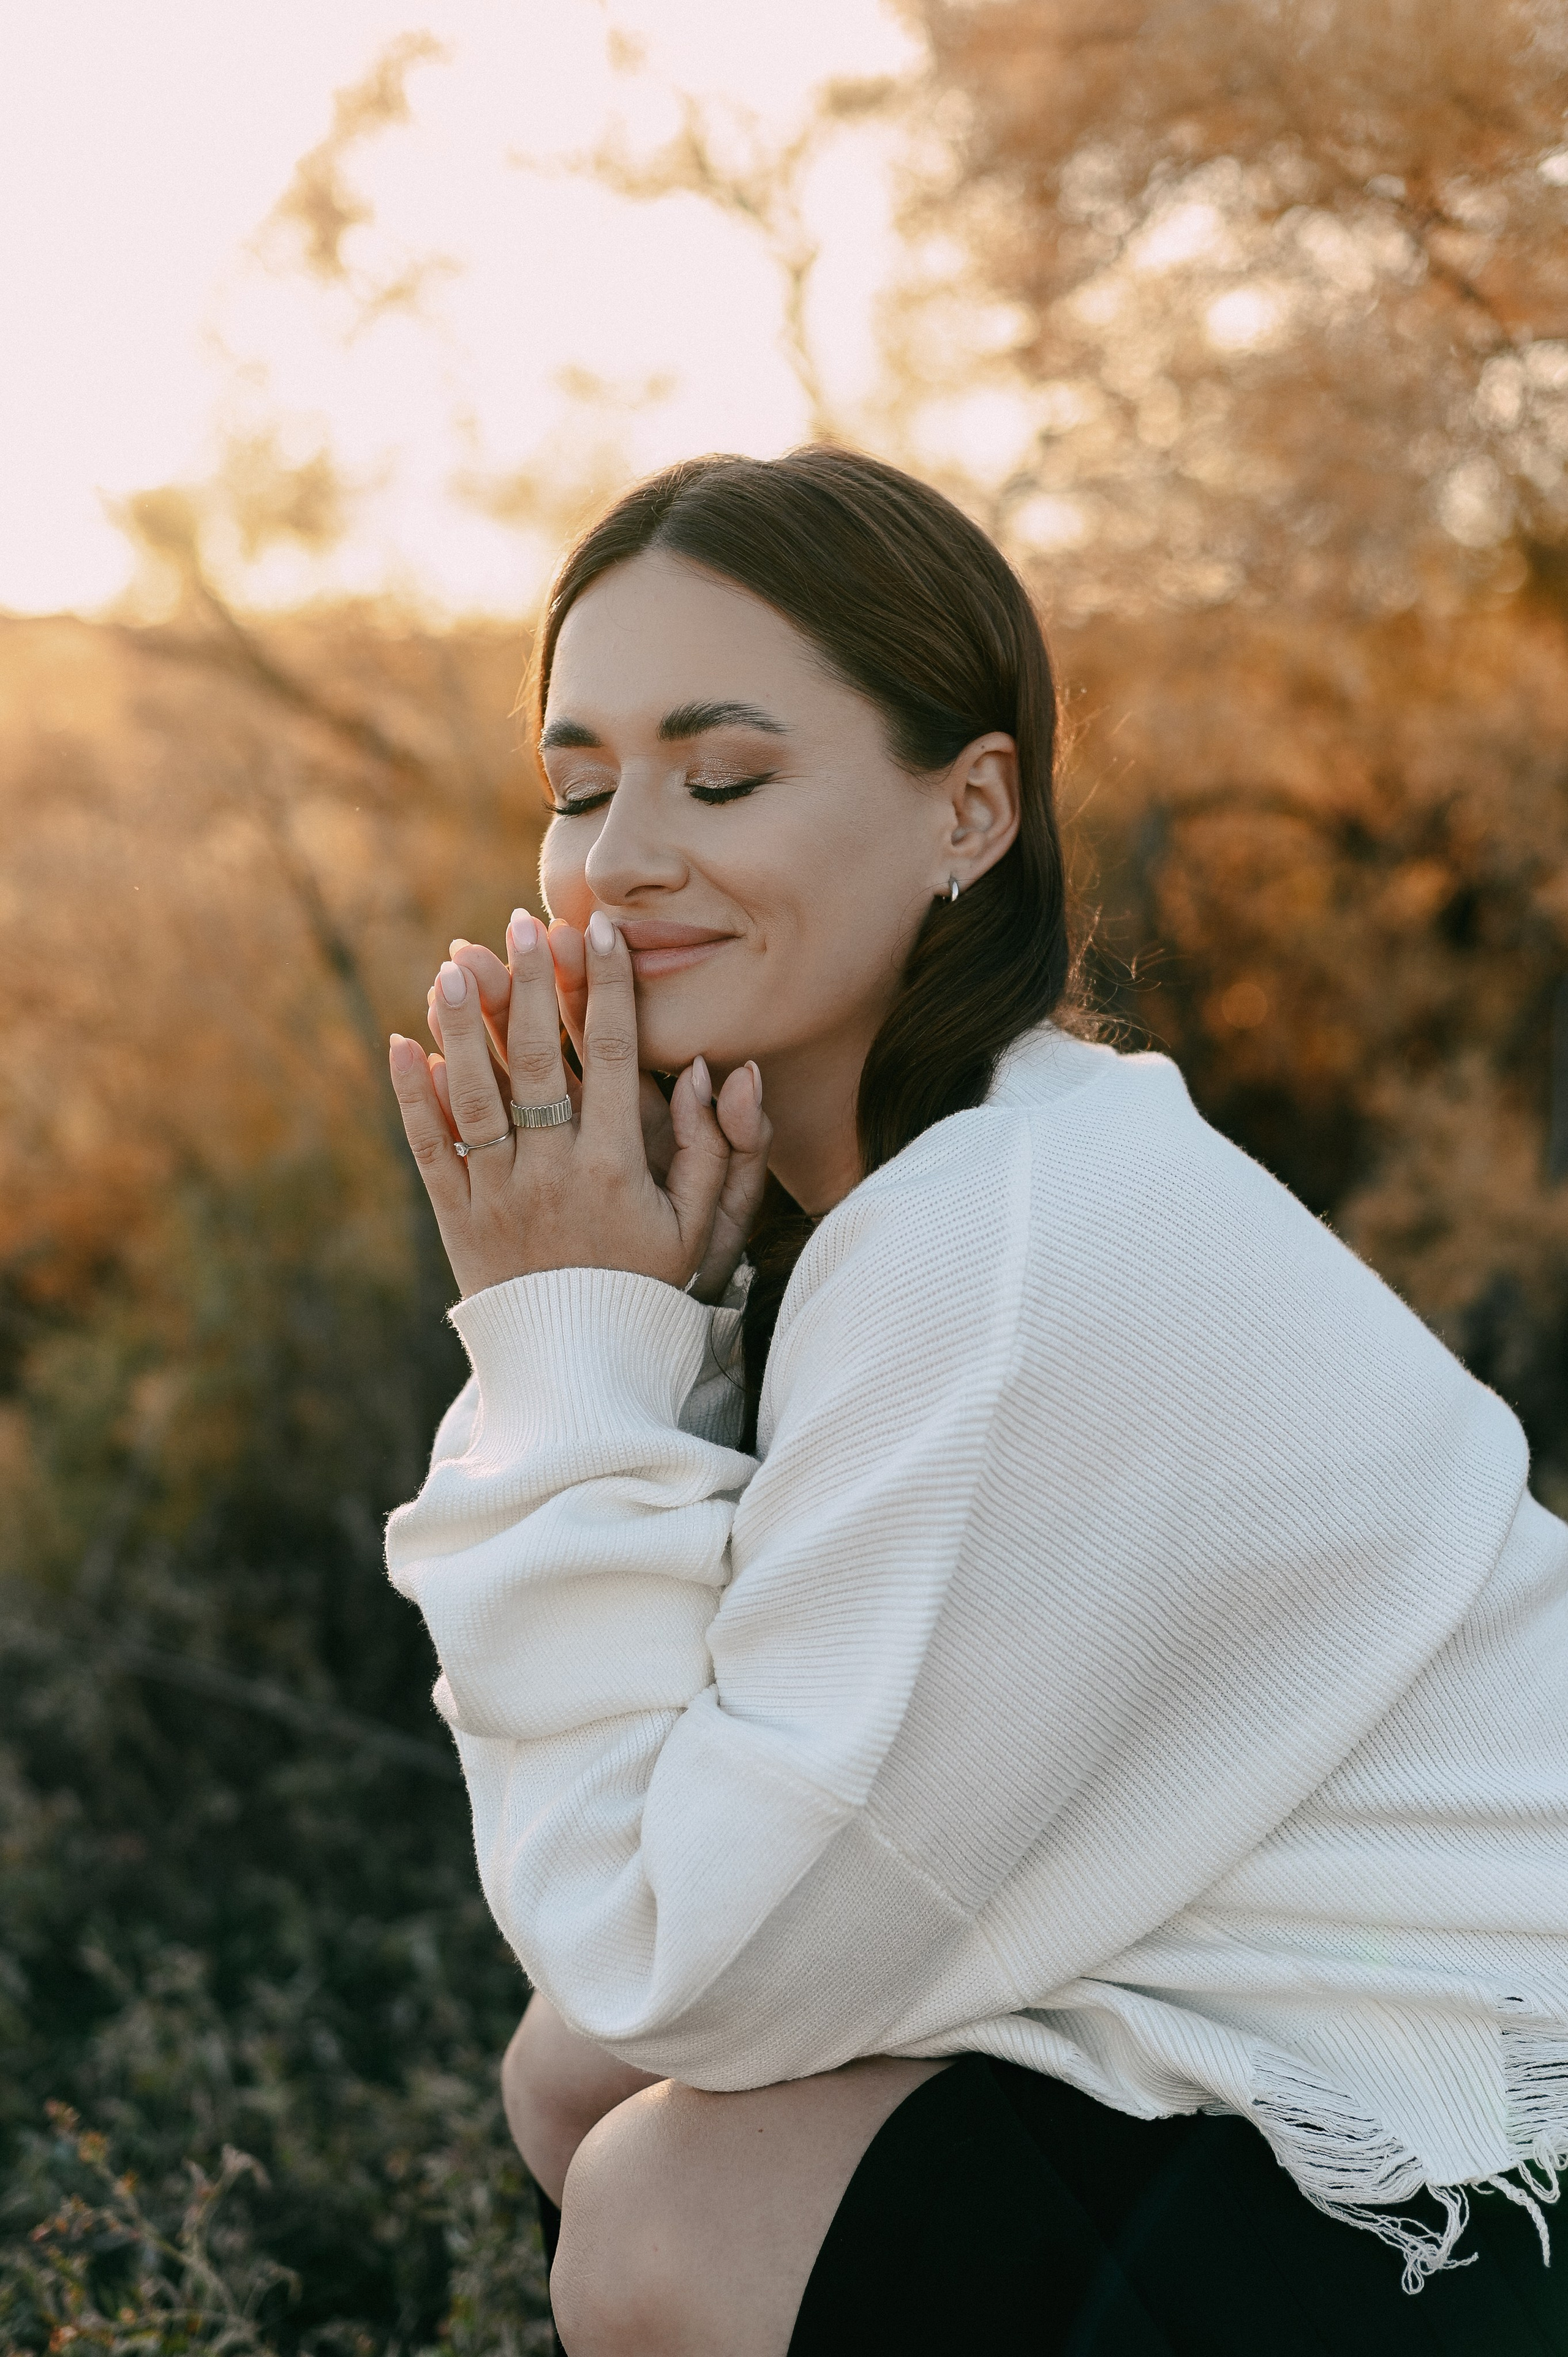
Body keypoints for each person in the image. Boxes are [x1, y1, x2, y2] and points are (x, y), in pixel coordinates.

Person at [383, 448, 1568, 2356]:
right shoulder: (976, 1169)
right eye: (580, 786)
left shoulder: (1001, 1245)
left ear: (972, 811)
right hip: (1361, 2028)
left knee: (672, 2204)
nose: (617, 861)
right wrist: (644, 1337)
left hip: (1498, 2143)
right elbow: (673, 1935)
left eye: (727, 774)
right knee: (579, 2069)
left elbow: (689, 1953)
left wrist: (570, 1355)